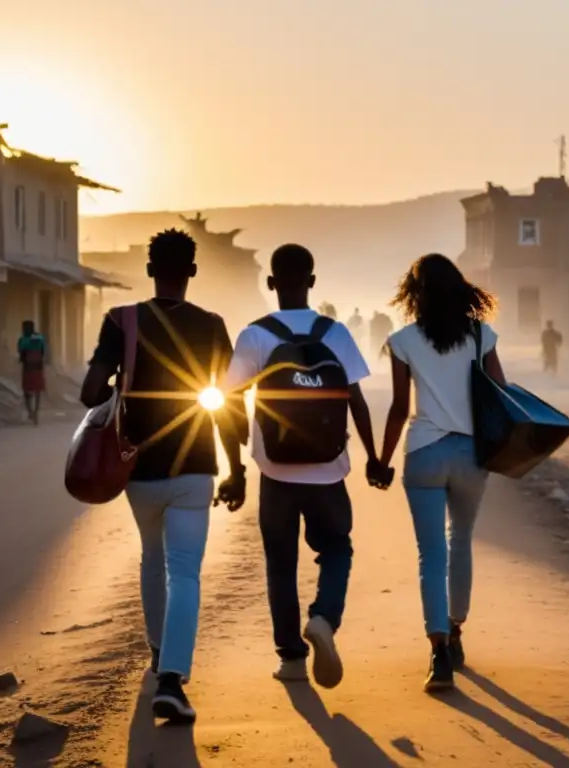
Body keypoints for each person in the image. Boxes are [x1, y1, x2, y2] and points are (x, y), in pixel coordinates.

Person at [80, 228, 247, 724]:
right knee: (186, 570)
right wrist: (237, 469)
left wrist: (119, 377)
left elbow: (91, 393)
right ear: (192, 272)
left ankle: (159, 656)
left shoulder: (121, 321)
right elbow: (229, 403)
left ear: (150, 270)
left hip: (139, 469)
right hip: (195, 466)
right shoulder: (214, 326)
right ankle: (172, 680)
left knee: (152, 558)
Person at [224, 244, 378, 690]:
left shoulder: (255, 335)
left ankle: (291, 659)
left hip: (275, 471)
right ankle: (325, 618)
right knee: (337, 550)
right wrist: (375, 458)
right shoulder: (335, 333)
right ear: (312, 282)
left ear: (271, 284)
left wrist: (235, 464)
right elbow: (357, 402)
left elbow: (230, 400)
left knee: (280, 563)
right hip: (329, 471)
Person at [372, 253, 504, 694]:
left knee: (431, 554)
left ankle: (438, 652)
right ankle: (456, 629)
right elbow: (501, 393)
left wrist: (382, 460)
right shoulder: (480, 334)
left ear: (416, 294)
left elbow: (398, 409)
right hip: (471, 455)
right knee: (460, 542)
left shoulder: (403, 340)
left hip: (425, 452)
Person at [17, 320, 46, 424]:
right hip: (38, 367)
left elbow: (21, 353)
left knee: (26, 391)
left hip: (28, 368)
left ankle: (30, 411)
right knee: (37, 391)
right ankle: (36, 411)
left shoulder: (23, 340)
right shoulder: (40, 338)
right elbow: (43, 351)